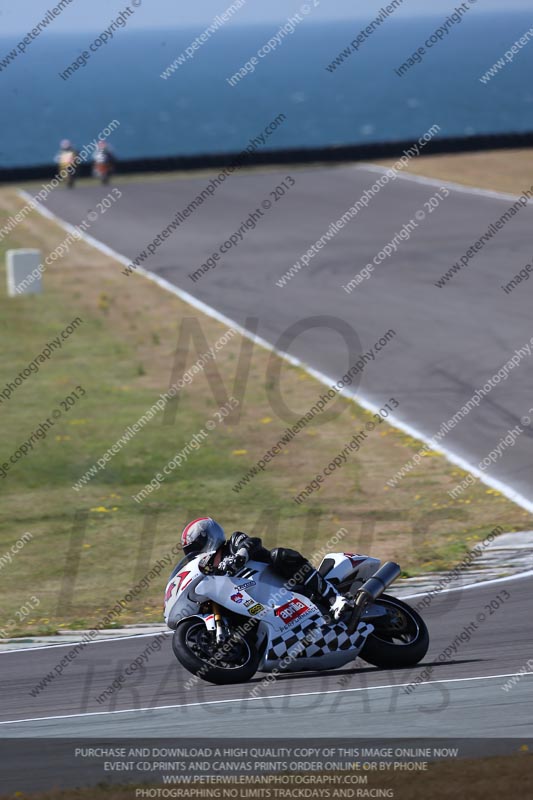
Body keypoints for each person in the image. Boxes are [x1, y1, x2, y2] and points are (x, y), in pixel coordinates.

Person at [177, 517, 355, 622]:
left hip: (289, 585)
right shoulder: (212, 577)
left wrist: (240, 556)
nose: (196, 554)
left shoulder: (233, 543)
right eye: (191, 552)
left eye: (197, 547)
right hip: (269, 610)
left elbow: (252, 542)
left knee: (279, 555)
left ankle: (334, 598)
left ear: (208, 538)